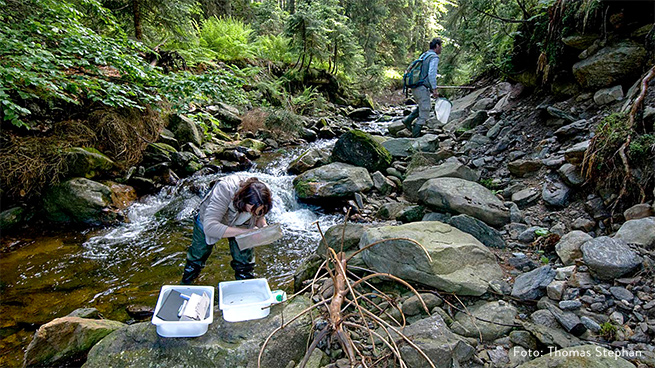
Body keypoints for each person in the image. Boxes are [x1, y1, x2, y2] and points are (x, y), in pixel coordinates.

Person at [181, 174, 273, 284]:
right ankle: (187, 284)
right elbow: (210, 227)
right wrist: (247, 232)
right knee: (197, 257)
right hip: (209, 220)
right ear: (244, 201)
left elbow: (259, 215)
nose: (254, 213)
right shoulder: (225, 188)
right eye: (251, 209)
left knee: (245, 262)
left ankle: (245, 288)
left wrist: (263, 227)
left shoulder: (263, 194)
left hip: (242, 222)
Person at [402, 38, 442, 138]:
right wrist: (434, 89)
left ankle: (408, 120)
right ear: (437, 46)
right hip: (422, 87)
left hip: (415, 86)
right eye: (441, 46)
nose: (441, 48)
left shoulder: (424, 55)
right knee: (425, 111)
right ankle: (416, 137)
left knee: (422, 106)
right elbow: (431, 74)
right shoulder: (434, 57)